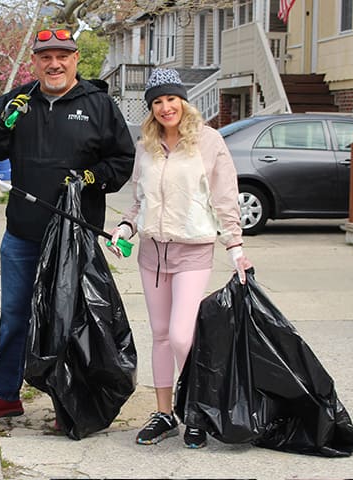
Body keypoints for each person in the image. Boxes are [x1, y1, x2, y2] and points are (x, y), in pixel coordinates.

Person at [0, 27, 135, 423]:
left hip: (75, 238)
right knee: (15, 317)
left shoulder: (98, 105)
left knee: (70, 319)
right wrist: (5, 123)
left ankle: (69, 401)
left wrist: (91, 178)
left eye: (62, 56)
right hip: (23, 235)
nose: (54, 64)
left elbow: (122, 161)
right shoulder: (17, 102)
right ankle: (6, 393)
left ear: (76, 59)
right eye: (45, 57)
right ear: (35, 62)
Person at [106, 68, 253, 449]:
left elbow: (224, 198)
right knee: (158, 335)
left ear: (183, 101)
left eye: (171, 99)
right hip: (152, 252)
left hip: (193, 250)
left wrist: (235, 246)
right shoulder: (147, 145)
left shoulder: (209, 142)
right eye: (157, 101)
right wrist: (125, 228)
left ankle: (195, 411)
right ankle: (164, 413)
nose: (165, 107)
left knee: (181, 335)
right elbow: (138, 201)